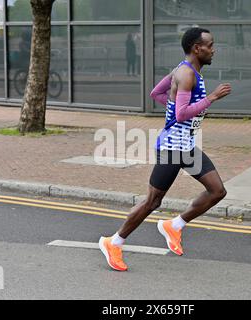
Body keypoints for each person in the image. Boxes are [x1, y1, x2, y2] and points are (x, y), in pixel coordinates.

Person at [99, 27, 232, 271]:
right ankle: (113, 242)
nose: (214, 50)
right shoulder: (186, 74)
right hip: (172, 147)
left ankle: (175, 226)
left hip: (187, 146)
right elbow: (181, 115)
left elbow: (156, 93)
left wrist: (173, 104)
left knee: (217, 191)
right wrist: (210, 98)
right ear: (196, 48)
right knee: (152, 202)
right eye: (210, 45)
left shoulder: (183, 71)